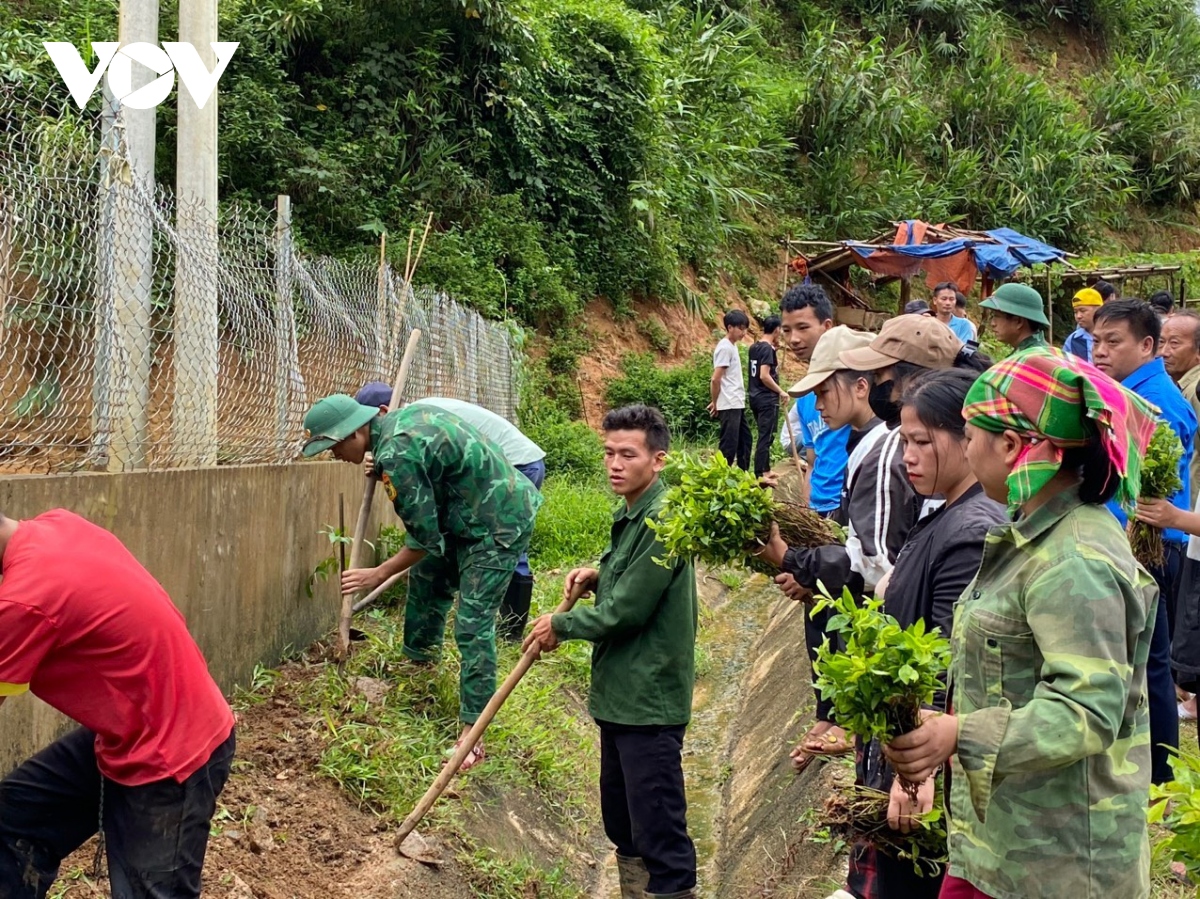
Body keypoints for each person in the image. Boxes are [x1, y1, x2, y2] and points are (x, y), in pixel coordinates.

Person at [885, 349, 1159, 899]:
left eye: (969, 434)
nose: (963, 449)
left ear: (1010, 445)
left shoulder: (1075, 561)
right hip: (1002, 843)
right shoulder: (1030, 534)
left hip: (1057, 864)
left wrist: (960, 733)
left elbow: (1086, 711)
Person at [0, 509, 236, 899]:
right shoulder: (58, 525)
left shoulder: (26, 601)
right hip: (143, 723)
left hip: (171, 754)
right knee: (14, 818)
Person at [302, 394, 543, 770]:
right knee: (427, 582)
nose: (333, 456)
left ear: (353, 434)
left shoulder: (397, 455)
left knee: (473, 624)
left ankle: (472, 734)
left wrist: (378, 572)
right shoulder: (398, 427)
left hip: (497, 521)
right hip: (464, 512)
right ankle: (419, 666)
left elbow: (425, 540)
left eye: (332, 448)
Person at [842, 369, 1006, 899]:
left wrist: (916, 775)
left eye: (921, 442)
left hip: (925, 756)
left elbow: (943, 656)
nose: (907, 456)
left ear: (969, 439)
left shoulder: (971, 530)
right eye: (904, 442)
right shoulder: (945, 514)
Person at [524, 405, 698, 899]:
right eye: (608, 453)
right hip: (621, 695)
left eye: (628, 454)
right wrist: (600, 576)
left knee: (660, 831)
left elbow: (629, 611)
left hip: (648, 699)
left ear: (658, 460)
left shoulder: (663, 519)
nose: (614, 464)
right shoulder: (632, 515)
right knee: (624, 824)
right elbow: (632, 584)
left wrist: (563, 624)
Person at [1092, 299, 1195, 782]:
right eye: (1096, 341)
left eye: (1113, 342)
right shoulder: (1125, 392)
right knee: (1138, 655)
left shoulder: (1155, 402)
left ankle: (1159, 769)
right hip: (1132, 540)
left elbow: (1158, 482)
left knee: (1151, 660)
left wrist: (1138, 532)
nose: (1100, 351)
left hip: (1150, 545)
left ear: (1146, 345)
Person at [354, 384, 546, 641]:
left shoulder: (420, 421)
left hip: (517, 462)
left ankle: (511, 631)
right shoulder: (409, 425)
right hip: (499, 463)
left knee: (504, 540)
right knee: (462, 543)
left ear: (382, 411)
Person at [780, 285, 849, 516]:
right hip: (819, 507)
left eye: (802, 328)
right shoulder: (805, 397)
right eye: (787, 330)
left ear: (826, 326)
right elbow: (811, 462)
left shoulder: (854, 386)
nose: (794, 339)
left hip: (848, 506)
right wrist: (807, 510)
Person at [1160, 311, 1200, 507]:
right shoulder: (1181, 387)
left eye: (1174, 344)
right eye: (1162, 342)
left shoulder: (1196, 391)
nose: (1164, 352)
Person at [709, 310, 751, 471]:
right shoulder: (725, 348)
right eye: (740, 328)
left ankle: (743, 475)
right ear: (729, 327)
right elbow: (715, 378)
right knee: (729, 445)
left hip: (735, 402)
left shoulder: (731, 347)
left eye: (745, 328)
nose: (743, 332)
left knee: (745, 440)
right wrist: (715, 402)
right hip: (729, 402)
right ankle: (720, 478)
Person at [748, 316, 789, 478]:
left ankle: (765, 468)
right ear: (777, 329)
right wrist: (781, 391)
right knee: (766, 435)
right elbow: (764, 376)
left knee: (767, 433)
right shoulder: (767, 350)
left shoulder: (754, 347)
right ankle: (760, 473)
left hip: (754, 396)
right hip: (766, 398)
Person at [978, 282, 1051, 353]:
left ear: (1018, 321)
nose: (992, 323)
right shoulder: (1046, 352)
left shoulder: (1028, 359)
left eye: (997, 316)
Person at [1062, 286, 1102, 363]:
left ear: (1098, 310)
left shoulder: (1111, 336)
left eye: (1083, 311)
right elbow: (1065, 365)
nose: (1078, 316)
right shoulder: (1073, 340)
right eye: (1075, 312)